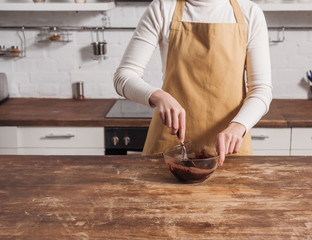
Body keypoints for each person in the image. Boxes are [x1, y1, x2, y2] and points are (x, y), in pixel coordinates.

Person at [114, 0, 272, 165]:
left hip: (229, 149)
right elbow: (123, 75)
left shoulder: (250, 13)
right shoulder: (162, 8)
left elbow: (261, 89)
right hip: (169, 149)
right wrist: (158, 96)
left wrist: (239, 126)